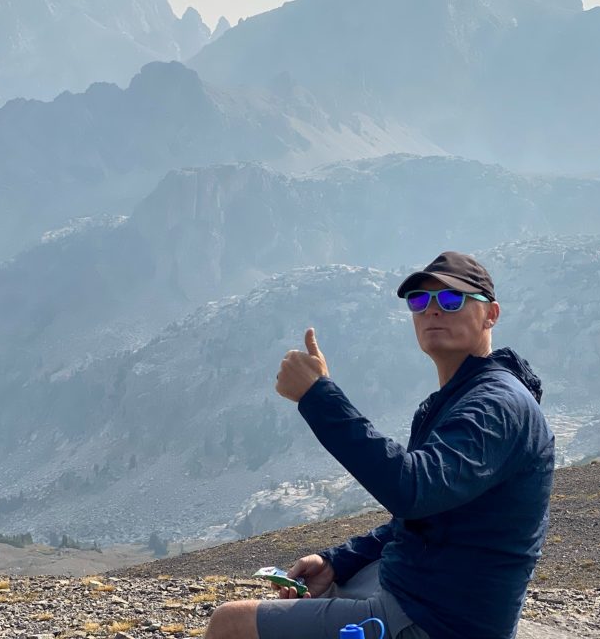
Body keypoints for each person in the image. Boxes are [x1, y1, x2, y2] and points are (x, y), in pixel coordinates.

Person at [204, 251, 554, 639]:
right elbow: (426, 517)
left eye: (452, 300)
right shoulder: (467, 396)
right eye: (419, 300)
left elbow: (411, 490)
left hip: (436, 622)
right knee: (316, 596)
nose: (433, 310)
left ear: (492, 314)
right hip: (425, 597)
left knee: (230, 624)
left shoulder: (494, 406)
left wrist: (317, 396)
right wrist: (337, 562)